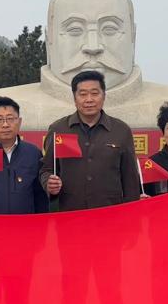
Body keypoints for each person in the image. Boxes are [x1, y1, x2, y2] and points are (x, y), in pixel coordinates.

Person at [39, 69, 143, 211]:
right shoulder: (58, 129)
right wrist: (48, 182)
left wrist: (132, 212)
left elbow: (130, 178)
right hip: (70, 212)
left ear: (104, 96)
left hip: (110, 212)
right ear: (74, 98)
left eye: (94, 93)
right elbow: (46, 169)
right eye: (82, 94)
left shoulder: (121, 130)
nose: (89, 99)